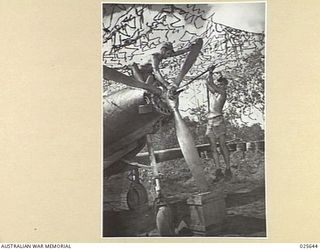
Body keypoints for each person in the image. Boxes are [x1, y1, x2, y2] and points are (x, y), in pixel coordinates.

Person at [205, 67, 232, 180]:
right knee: (213, 147)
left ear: (224, 85)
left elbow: (210, 83)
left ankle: (228, 168)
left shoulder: (222, 93)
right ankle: (218, 169)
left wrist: (210, 72)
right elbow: (208, 82)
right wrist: (208, 73)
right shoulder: (214, 93)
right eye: (219, 84)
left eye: (221, 84)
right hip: (210, 122)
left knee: (222, 145)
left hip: (219, 121)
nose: (220, 85)